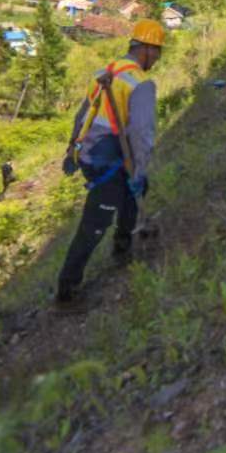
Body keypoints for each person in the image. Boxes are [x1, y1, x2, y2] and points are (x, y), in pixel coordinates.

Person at [55, 18, 167, 306]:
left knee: (135, 192)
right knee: (95, 222)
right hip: (108, 158)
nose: (156, 59)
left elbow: (84, 112)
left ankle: (123, 247)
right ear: (145, 49)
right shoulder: (141, 84)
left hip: (93, 151)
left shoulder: (109, 71)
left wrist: (72, 147)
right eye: (156, 52)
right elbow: (143, 134)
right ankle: (66, 291)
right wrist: (139, 170)